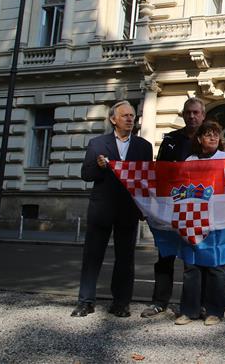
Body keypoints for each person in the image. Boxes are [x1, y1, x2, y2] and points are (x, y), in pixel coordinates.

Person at [71, 100, 153, 318]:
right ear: (113, 119)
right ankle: (85, 301)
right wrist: (98, 167)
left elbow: (146, 180)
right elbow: (86, 174)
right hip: (102, 209)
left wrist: (146, 208)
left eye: (132, 116)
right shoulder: (97, 144)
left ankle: (121, 303)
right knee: (92, 257)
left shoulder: (144, 146)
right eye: (125, 115)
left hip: (128, 210)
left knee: (125, 259)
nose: (130, 119)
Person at [141, 97, 206, 319]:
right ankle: (159, 302)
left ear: (203, 115)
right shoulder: (171, 139)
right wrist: (152, 205)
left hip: (198, 207)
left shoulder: (208, 140)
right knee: (165, 256)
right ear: (183, 114)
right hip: (170, 207)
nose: (192, 116)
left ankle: (193, 306)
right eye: (188, 112)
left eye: (196, 112)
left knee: (195, 260)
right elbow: (158, 173)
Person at [174, 120, 225, 326]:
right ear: (200, 138)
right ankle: (189, 310)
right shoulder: (190, 160)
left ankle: (214, 311)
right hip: (193, 219)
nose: (213, 138)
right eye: (208, 134)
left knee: (216, 266)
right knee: (191, 266)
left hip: (219, 221)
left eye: (216, 134)